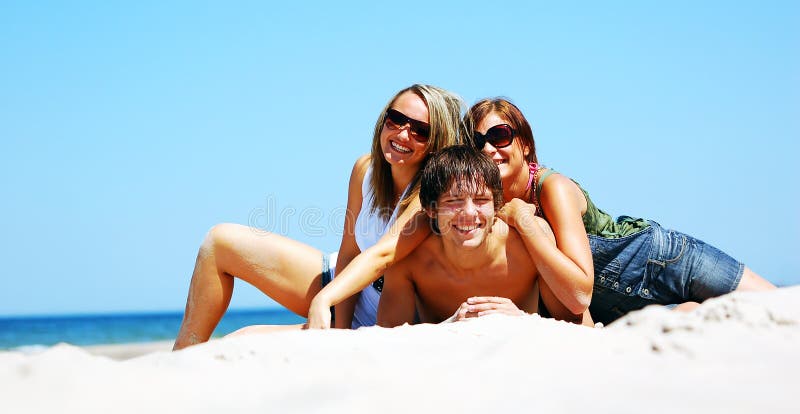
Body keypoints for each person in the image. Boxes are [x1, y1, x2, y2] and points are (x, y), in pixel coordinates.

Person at [173, 84, 466, 349]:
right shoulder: (365, 170)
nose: (402, 134)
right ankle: (180, 358)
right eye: (396, 119)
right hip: (339, 286)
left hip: (374, 317)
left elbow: (382, 256)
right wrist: (336, 328)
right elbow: (350, 252)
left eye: (420, 130)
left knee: (240, 340)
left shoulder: (429, 195)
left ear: (436, 142)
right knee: (219, 242)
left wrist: (325, 302)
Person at [466, 97, 776, 324]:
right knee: (691, 320)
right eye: (478, 141)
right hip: (617, 307)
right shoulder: (488, 209)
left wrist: (524, 220)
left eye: (500, 136)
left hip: (663, 261)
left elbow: (578, 289)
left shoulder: (552, 188)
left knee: (778, 304)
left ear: (525, 145)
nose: (488, 149)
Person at [377, 145, 593, 327]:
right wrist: (449, 324)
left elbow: (579, 329)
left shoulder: (528, 241)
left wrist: (523, 319)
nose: (469, 213)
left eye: (481, 200)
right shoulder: (409, 258)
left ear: (497, 205)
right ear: (431, 209)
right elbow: (389, 338)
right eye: (453, 201)